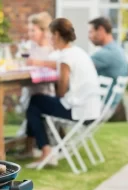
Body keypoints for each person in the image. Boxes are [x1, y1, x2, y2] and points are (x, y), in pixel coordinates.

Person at [25, 18, 102, 168]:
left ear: (57, 35)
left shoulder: (66, 58)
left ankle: (46, 151)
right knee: (39, 103)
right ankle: (42, 149)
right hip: (91, 110)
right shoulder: (78, 51)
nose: (49, 39)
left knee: (35, 102)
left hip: (79, 111)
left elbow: (61, 91)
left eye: (51, 35)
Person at [16, 12, 58, 159]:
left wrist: (37, 63)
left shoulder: (52, 49)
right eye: (29, 30)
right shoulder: (29, 46)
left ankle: (39, 148)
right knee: (31, 107)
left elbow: (58, 65)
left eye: (33, 30)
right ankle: (30, 149)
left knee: (33, 109)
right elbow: (20, 60)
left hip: (46, 90)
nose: (30, 33)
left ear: (43, 31)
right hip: (30, 88)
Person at [88, 17, 128, 106]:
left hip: (98, 105)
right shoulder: (117, 50)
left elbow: (79, 67)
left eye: (91, 32)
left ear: (101, 30)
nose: (89, 36)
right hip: (108, 104)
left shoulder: (107, 53)